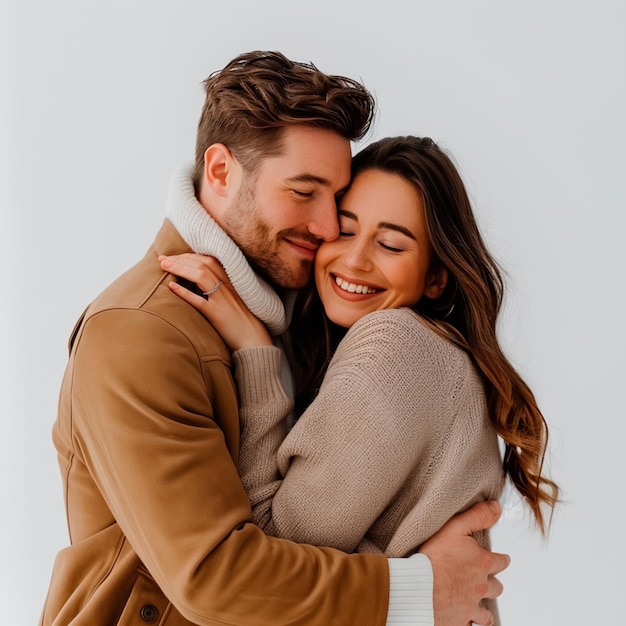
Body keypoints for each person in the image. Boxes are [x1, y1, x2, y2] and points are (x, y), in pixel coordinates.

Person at [41, 52, 509, 626]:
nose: (328, 227)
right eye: (303, 191)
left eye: (336, 197)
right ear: (220, 171)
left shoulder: (304, 314)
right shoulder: (143, 332)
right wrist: (420, 588)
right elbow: (219, 577)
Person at [161, 136, 560, 626]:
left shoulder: (394, 346)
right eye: (344, 231)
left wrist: (254, 352)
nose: (354, 260)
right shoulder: (436, 353)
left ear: (436, 277)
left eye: (391, 244)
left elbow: (272, 558)